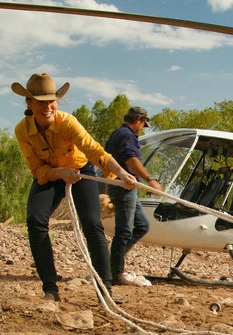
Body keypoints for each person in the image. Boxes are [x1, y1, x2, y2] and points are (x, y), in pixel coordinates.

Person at [12, 73, 137, 303]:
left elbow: (95, 150)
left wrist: (121, 173)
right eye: (41, 101)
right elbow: (37, 170)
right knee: (35, 221)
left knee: (92, 224)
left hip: (80, 171)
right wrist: (60, 174)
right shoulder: (22, 131)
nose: (48, 106)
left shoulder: (67, 122)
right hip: (50, 176)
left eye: (52, 100)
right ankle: (50, 289)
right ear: (29, 103)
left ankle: (105, 291)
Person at [105, 107, 161, 287]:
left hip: (125, 187)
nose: (143, 127)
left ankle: (111, 265)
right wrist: (150, 179)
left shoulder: (117, 134)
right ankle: (115, 273)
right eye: (143, 123)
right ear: (138, 119)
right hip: (124, 187)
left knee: (141, 226)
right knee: (124, 230)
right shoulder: (127, 135)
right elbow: (131, 160)